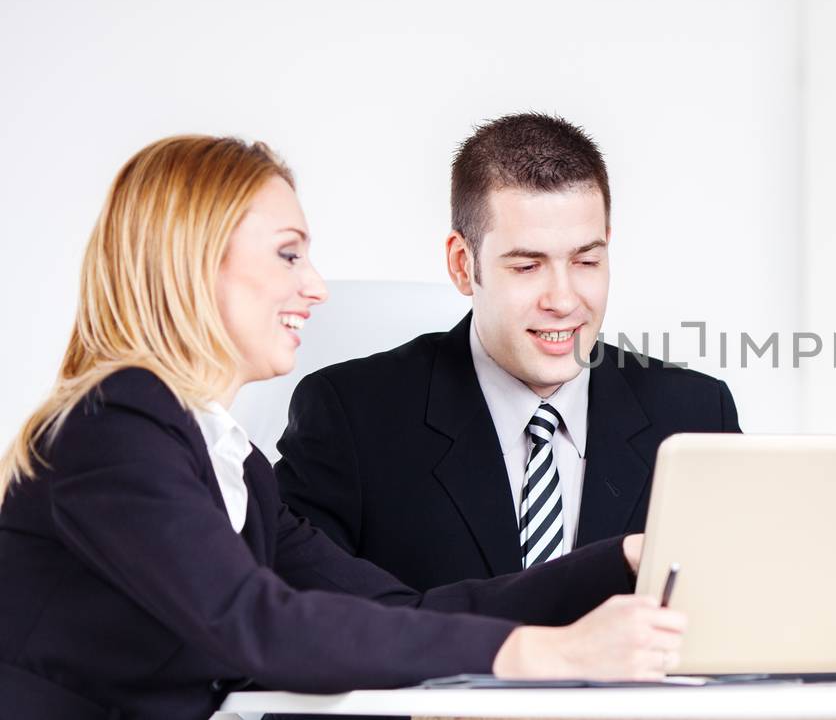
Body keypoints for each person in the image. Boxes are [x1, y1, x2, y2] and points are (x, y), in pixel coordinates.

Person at [0, 136, 687, 720]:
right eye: (289, 254)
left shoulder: (224, 461)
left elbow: (405, 608)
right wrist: (548, 654)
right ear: (194, 262)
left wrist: (621, 557)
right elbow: (259, 624)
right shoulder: (113, 425)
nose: (317, 288)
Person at [275, 113, 740, 590]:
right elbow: (305, 633)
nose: (562, 300)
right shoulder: (351, 419)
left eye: (586, 261)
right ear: (462, 264)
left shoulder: (698, 415)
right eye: (527, 266)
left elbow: (741, 612)